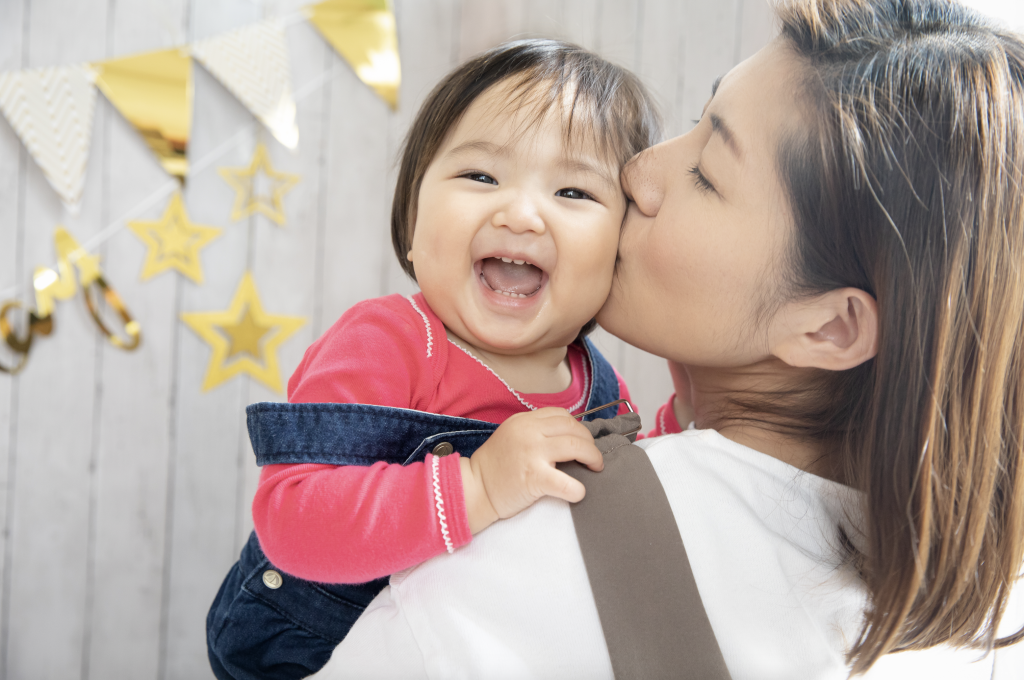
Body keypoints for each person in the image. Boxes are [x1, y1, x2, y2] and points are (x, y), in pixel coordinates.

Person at [310, 0, 1024, 677]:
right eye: (693, 120)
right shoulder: (983, 602)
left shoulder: (524, 570)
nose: (636, 174)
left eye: (707, 176)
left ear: (828, 327)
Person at [206, 40, 665, 680]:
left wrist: (688, 429)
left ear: (621, 249)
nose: (520, 213)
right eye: (481, 177)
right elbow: (292, 517)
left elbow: (633, 498)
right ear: (414, 218)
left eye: (571, 190)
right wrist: (477, 486)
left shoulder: (605, 394)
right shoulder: (389, 342)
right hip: (307, 652)